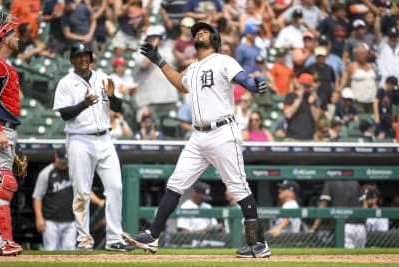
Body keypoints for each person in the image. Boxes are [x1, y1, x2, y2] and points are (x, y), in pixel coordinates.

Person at [122, 22, 270, 258]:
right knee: (176, 183)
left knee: (238, 186)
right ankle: (152, 236)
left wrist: (253, 85)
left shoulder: (224, 60)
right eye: (196, 32)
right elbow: (181, 84)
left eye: (205, 31)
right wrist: (159, 61)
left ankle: (258, 243)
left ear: (215, 38)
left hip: (223, 131)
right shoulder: (193, 68)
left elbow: (243, 78)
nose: (199, 32)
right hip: (198, 134)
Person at [53, 41, 133, 252]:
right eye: (79, 56)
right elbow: (64, 114)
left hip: (105, 138)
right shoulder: (66, 82)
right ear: (72, 59)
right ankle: (84, 241)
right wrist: (83, 104)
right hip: (79, 139)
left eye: (86, 55)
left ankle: (115, 239)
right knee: (81, 192)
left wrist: (114, 96)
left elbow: (117, 108)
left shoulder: (102, 78)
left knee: (115, 186)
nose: (83, 59)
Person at [0, 11, 24, 256]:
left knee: (4, 182)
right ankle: (3, 241)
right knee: (4, 183)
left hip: (9, 128)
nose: (17, 37)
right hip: (1, 127)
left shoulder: (6, 66)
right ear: (3, 38)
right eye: (13, 33)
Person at [32, 147, 76, 251]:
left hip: (70, 220)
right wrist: (39, 218)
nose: (64, 164)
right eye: (62, 162)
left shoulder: (72, 172)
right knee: (50, 249)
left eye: (66, 162)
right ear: (56, 157)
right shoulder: (46, 173)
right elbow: (37, 197)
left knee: (70, 250)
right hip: (51, 220)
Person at [310, 181, 367, 249]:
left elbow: (324, 205)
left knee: (348, 257)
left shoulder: (331, 182)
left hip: (344, 227)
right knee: (360, 256)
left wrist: (314, 227)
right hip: (361, 226)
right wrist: (364, 220)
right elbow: (364, 203)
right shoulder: (354, 181)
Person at [283, 73, 322, 141]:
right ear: (299, 84)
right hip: (292, 137)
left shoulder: (312, 97)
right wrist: (299, 98)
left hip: (309, 138)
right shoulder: (290, 96)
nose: (306, 88)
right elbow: (288, 114)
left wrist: (311, 104)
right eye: (304, 85)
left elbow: (316, 118)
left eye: (308, 86)